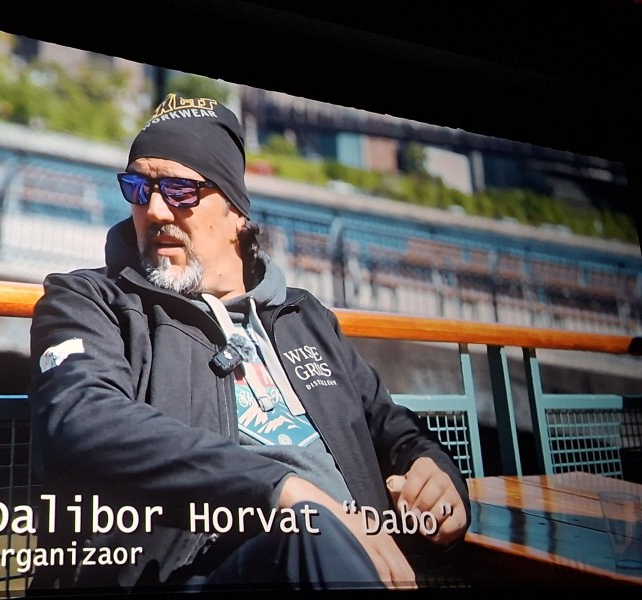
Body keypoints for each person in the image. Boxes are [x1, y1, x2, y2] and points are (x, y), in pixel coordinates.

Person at [27, 93, 470, 594]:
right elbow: (82, 418)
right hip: (196, 576)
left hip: (360, 564)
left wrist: (432, 469)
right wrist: (283, 491)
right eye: (138, 188)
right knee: (311, 537)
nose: (154, 209)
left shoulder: (304, 317)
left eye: (180, 190)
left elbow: (390, 424)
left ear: (237, 212)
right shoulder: (89, 300)